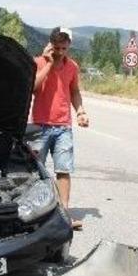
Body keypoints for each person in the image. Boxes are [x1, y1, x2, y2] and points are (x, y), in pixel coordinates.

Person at [31, 27, 90, 229]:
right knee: (36, 172)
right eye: (57, 48)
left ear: (69, 46)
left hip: (63, 126)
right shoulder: (39, 62)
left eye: (64, 48)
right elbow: (33, 88)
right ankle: (35, 215)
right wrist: (48, 64)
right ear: (50, 45)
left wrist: (80, 111)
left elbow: (74, 91)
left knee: (63, 170)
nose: (61, 52)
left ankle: (64, 215)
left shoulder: (72, 66)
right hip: (40, 126)